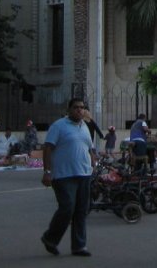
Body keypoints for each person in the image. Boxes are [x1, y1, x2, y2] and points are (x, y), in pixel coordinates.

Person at [40, 97, 97, 257]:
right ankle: (50, 238)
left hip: (84, 174)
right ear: (69, 110)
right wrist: (47, 171)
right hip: (64, 176)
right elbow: (48, 148)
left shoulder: (85, 126)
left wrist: (93, 163)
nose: (80, 110)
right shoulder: (59, 126)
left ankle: (79, 246)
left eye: (82, 107)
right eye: (76, 107)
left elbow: (89, 148)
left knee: (81, 211)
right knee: (67, 207)